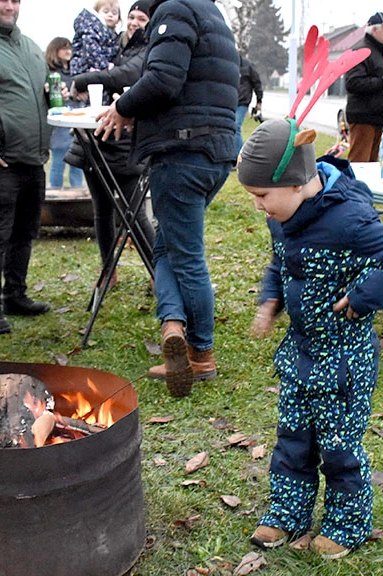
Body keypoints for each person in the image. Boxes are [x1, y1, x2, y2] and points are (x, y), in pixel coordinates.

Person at [237, 118, 383, 559]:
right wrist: (270, 299)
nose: (259, 207)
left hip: (343, 360)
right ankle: (288, 512)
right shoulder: (283, 217)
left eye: (263, 196)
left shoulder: (348, 221)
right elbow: (279, 262)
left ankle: (349, 522)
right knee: (293, 439)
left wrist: (364, 297)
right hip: (300, 355)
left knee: (339, 447)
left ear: (299, 183)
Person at [95, 0, 238, 398]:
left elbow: (162, 79)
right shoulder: (212, 14)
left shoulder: (175, 10)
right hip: (216, 151)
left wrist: (121, 107)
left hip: (183, 151)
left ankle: (201, 353)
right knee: (167, 247)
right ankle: (172, 325)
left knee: (186, 254)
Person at [0, 0, 53, 335]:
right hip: (0, 161)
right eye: (2, 0)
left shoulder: (31, 47)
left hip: (33, 158)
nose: (10, 5)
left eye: (15, 0)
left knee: (25, 233)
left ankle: (15, 295)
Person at [69, 1, 154, 291]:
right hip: (96, 139)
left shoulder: (149, 51)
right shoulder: (109, 43)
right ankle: (108, 270)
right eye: (131, 16)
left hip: (125, 143)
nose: (133, 22)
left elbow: (125, 75)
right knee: (101, 210)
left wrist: (84, 79)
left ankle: (158, 273)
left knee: (134, 212)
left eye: (141, 18)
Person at [343, 11, 383, 163]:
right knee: (359, 164)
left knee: (371, 166)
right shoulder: (361, 51)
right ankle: (354, 187)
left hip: (375, 117)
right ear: (375, 29)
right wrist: (382, 82)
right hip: (363, 117)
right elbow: (352, 83)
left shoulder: (376, 51)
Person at [44, 36, 84, 189]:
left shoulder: (75, 70)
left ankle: (78, 192)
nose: (69, 51)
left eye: (70, 48)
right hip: (59, 122)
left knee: (77, 160)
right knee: (59, 160)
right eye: (64, 48)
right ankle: (55, 193)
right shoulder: (50, 72)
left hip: (76, 119)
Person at [70, 0, 120, 89]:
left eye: (114, 13)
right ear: (97, 13)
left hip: (97, 70)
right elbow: (91, 49)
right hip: (85, 68)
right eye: (106, 11)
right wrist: (104, 67)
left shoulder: (112, 34)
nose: (110, 15)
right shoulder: (93, 28)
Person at [235, 52, 262, 158]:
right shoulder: (229, 64)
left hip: (242, 101)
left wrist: (259, 101)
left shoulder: (248, 66)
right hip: (231, 101)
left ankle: (242, 157)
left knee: (235, 127)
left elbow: (257, 83)